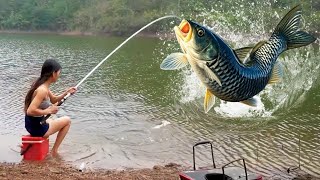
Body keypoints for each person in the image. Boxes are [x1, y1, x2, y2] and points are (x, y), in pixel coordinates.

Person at [24, 59, 77, 157]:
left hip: (31, 125)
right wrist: (48, 110)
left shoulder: (43, 86)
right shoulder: (42, 90)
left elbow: (54, 100)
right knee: (67, 121)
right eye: (59, 72)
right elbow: (30, 111)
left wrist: (67, 92)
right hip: (37, 128)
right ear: (54, 73)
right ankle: (54, 151)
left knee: (54, 119)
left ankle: (42, 147)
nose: (59, 75)